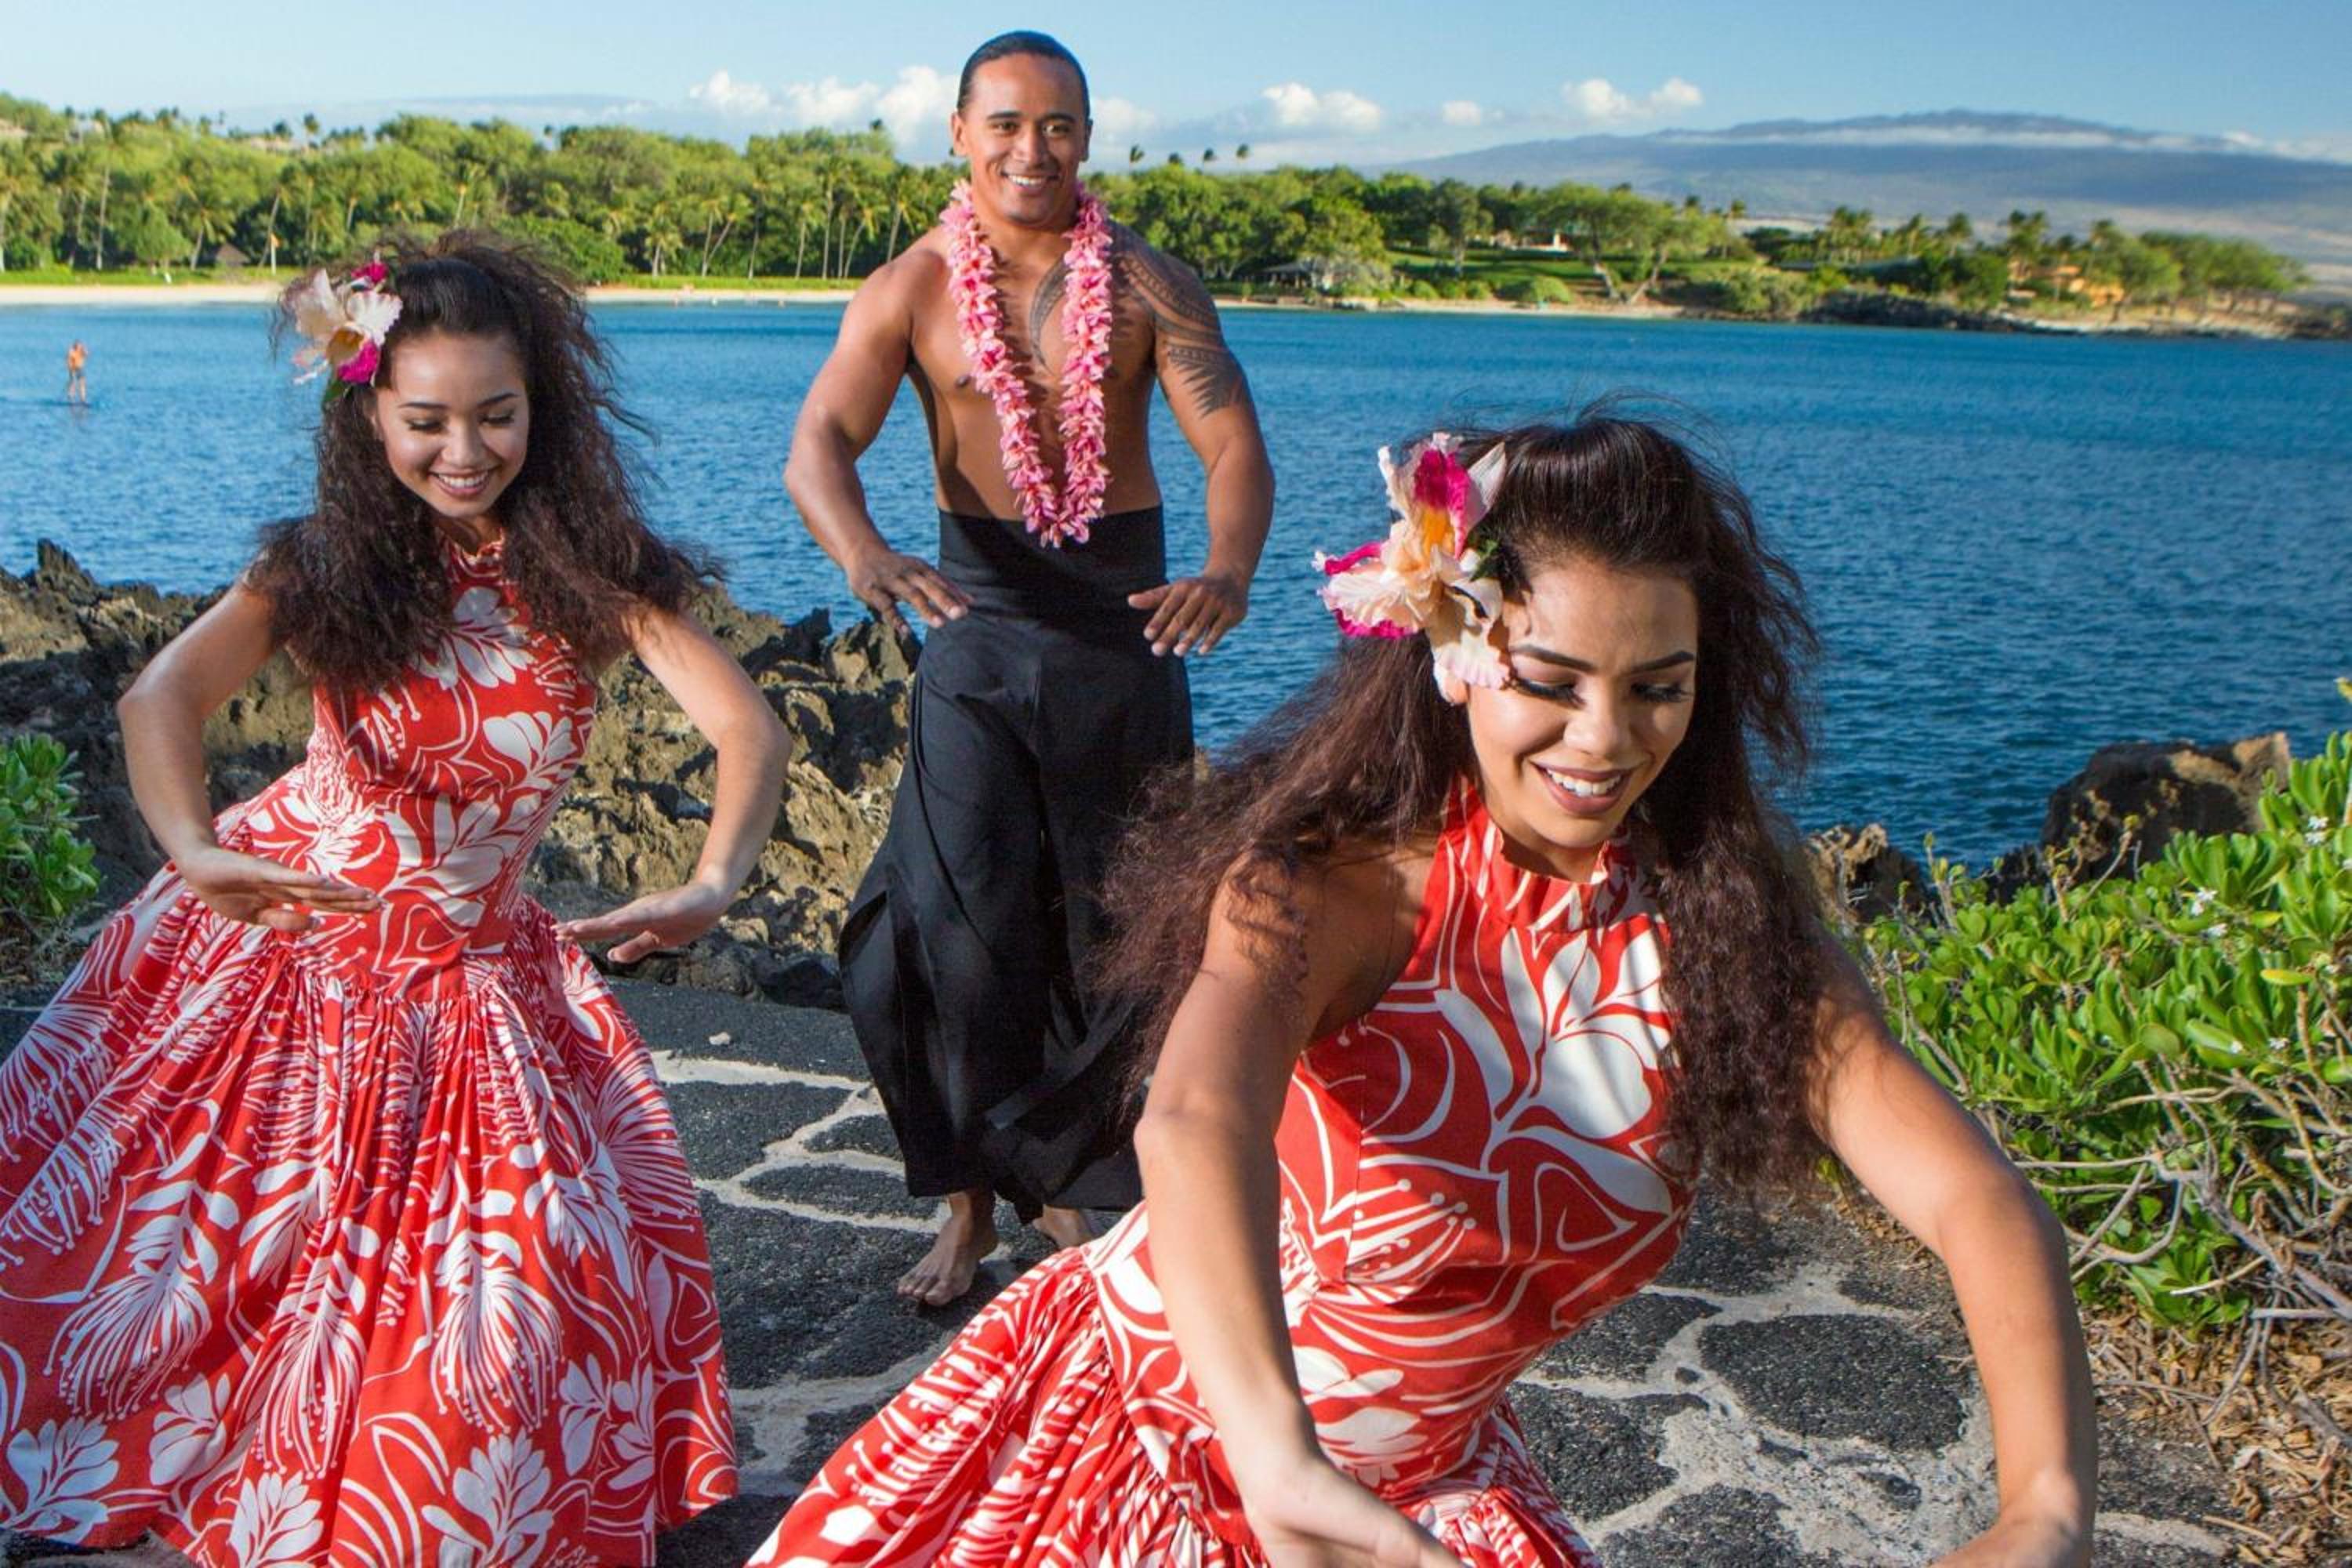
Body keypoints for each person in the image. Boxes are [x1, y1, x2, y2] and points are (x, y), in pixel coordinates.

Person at [744, 411, 2099, 1566]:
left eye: (1659, 689)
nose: (1605, 738)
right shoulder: (1329, 890)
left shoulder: (1728, 943)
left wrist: (2042, 1505)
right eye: (1550, 682)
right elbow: (1196, 1120)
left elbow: (1974, 1201)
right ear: (1456, 652)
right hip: (1143, 1444)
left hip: (1413, 1503)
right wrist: (1277, 1460)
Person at [0, 232, 786, 1564]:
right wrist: (193, 851)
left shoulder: (591, 573)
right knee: (168, 1297)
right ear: (369, 413)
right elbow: (160, 701)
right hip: (287, 952)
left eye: (496, 415)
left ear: (543, 403)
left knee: (521, 1347)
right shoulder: (316, 564)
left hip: (481, 988)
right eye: (425, 421)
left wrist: (715, 879)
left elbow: (747, 730)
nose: (464, 452)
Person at [788, 29, 1275, 1305]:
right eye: (1004, 123)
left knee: (1125, 930)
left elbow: (1231, 448)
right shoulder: (910, 290)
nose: (1030, 148)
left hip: (1127, 637)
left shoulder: (1156, 289)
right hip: (979, 631)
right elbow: (820, 447)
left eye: (1057, 125)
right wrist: (864, 557)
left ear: (1089, 138)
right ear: (959, 136)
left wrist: (1225, 570)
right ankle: (963, 1199)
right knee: (944, 934)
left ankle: (1085, 1192)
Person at [64, 339, 89, 405]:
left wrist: (84, 350)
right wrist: (70, 368)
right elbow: (68, 360)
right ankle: (71, 397)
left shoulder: (82, 351)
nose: (79, 347)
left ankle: (83, 399)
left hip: (80, 369)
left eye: (80, 346)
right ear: (75, 346)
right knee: (73, 382)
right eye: (77, 346)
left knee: (82, 383)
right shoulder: (71, 352)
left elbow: (87, 355)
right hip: (73, 369)